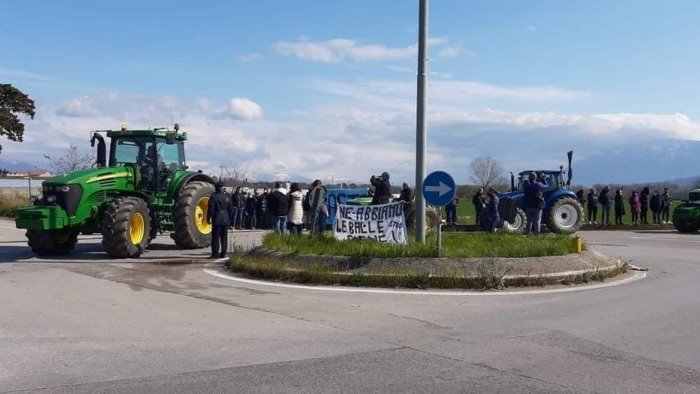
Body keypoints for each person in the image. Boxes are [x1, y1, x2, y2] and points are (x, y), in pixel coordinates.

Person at [206, 182, 233, 258]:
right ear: (222, 188)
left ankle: (215, 254)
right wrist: (229, 218)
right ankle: (223, 253)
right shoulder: (227, 197)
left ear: (216, 188)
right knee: (224, 237)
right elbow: (231, 209)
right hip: (225, 218)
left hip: (217, 218)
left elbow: (210, 209)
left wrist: (208, 218)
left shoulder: (214, 197)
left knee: (215, 237)